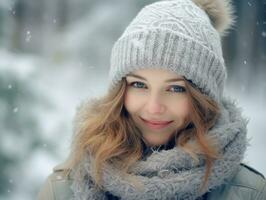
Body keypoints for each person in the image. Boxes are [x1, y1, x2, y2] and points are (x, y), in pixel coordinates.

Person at [37, 0, 266, 199]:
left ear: (204, 98)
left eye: (176, 89)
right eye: (139, 85)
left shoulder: (248, 193)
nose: (154, 107)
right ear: (119, 91)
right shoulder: (65, 191)